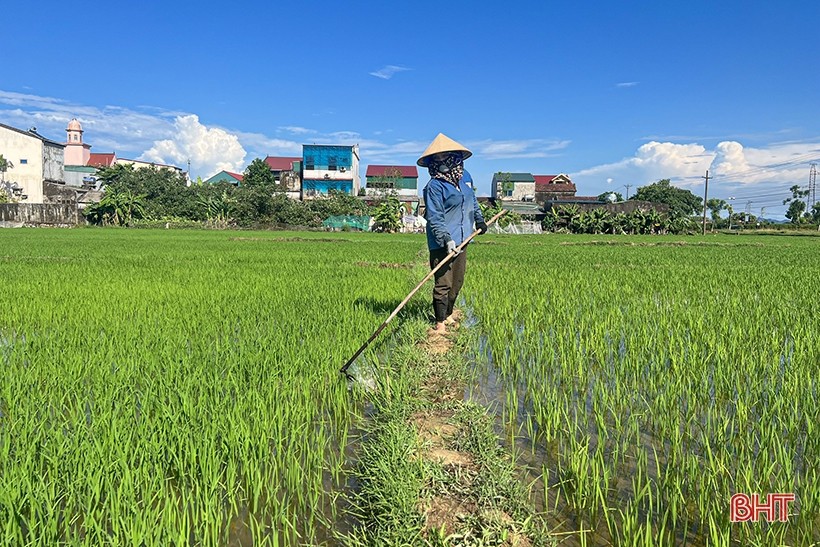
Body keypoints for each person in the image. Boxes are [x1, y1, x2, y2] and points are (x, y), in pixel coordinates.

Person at [418, 133, 487, 335]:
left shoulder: (466, 178)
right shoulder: (434, 186)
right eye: (436, 159)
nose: (440, 162)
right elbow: (435, 217)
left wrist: (480, 219)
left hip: (464, 237)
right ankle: (439, 324)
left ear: (454, 156)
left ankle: (448, 314)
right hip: (442, 242)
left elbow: (472, 201)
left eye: (444, 157)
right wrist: (446, 239)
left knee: (457, 282)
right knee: (443, 283)